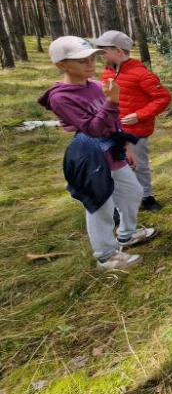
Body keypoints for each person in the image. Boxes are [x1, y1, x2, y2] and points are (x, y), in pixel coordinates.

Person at [38, 37, 157, 270]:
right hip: (90, 154)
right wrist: (112, 102)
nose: (90, 64)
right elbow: (92, 129)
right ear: (61, 65)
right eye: (82, 60)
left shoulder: (94, 85)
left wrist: (125, 146)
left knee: (132, 191)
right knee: (99, 203)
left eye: (92, 58)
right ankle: (106, 255)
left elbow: (112, 122)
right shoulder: (60, 97)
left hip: (112, 149)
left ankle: (126, 234)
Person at [95, 30, 172, 212]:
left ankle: (146, 197)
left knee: (139, 165)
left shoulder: (141, 74)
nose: (100, 55)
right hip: (112, 130)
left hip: (135, 131)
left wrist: (140, 115)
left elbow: (163, 97)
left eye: (103, 51)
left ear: (118, 51)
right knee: (115, 167)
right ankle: (121, 201)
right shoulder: (106, 74)